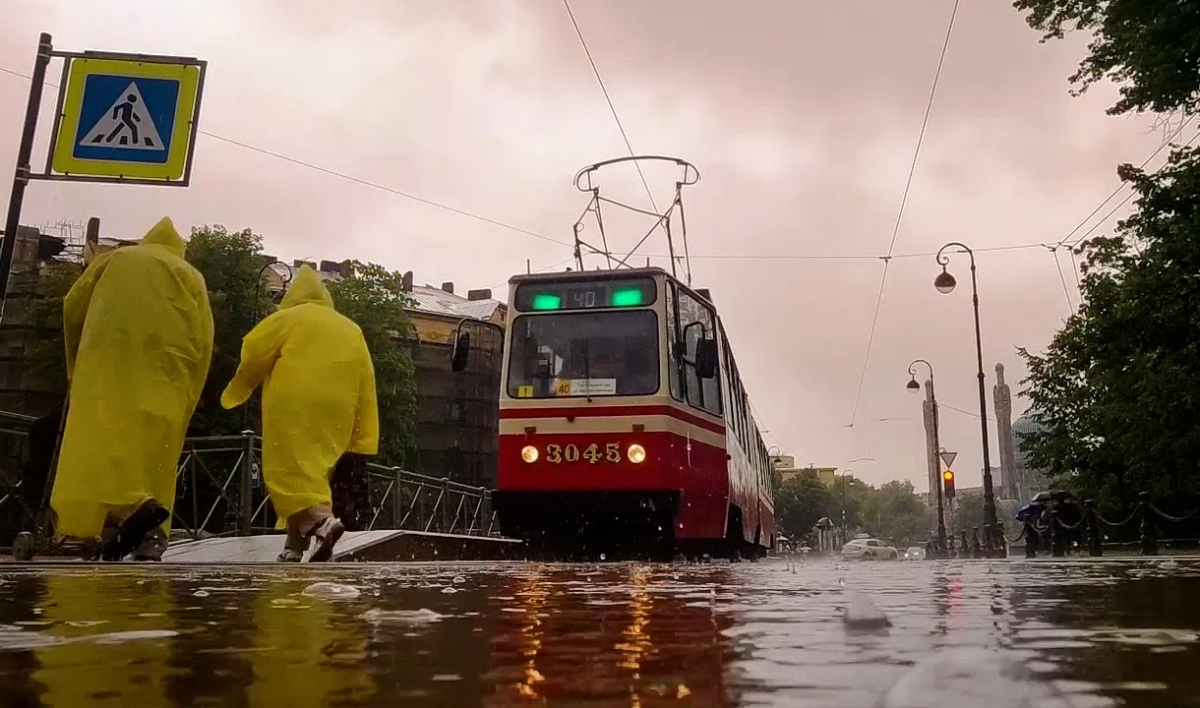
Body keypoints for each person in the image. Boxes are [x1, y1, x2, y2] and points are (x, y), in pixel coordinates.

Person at [50, 217, 214, 561]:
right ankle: (152, 540)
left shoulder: (116, 260)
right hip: (169, 377)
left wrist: (75, 362)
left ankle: (128, 511)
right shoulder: (191, 276)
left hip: (109, 364)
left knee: (101, 440)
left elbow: (73, 306)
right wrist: (189, 395)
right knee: (157, 454)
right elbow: (204, 340)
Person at [220, 264, 378, 562]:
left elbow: (253, 351)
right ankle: (293, 548)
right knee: (314, 472)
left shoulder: (286, 319)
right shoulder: (350, 328)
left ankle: (322, 521)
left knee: (288, 470)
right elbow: (366, 380)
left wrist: (238, 389)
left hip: (294, 404)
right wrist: (363, 433)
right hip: (339, 409)